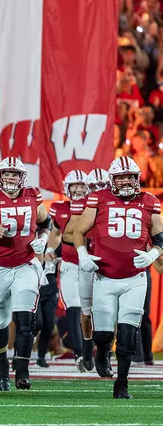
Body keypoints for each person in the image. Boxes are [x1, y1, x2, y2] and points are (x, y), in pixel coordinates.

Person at [73, 156, 163, 399]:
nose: (125, 181)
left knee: (127, 334)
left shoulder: (149, 201)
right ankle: (102, 351)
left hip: (135, 278)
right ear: (112, 180)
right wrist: (82, 254)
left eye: (130, 177)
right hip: (105, 276)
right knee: (103, 335)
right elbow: (78, 232)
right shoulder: (98, 199)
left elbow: (161, 237)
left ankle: (121, 384)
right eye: (121, 177)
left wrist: (153, 254)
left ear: (137, 179)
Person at [0, 157, 51, 391]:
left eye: (15, 174)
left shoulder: (33, 195)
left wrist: (42, 239)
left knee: (26, 320)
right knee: (0, 321)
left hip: (25, 265)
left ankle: (22, 372)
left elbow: (46, 222)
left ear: (22, 177)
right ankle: (2, 365)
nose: (10, 178)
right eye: (7, 174)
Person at [64, 168, 110, 371]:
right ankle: (87, 344)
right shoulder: (83, 205)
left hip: (110, 263)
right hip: (88, 261)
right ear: (88, 188)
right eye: (95, 187)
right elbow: (67, 235)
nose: (99, 190)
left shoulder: (119, 203)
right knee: (86, 311)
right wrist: (87, 242)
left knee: (109, 311)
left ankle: (105, 353)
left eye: (103, 186)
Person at [46, 170, 89, 372]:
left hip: (92, 265)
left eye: (82, 186)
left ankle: (95, 350)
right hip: (70, 264)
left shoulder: (94, 208)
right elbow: (54, 233)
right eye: (75, 187)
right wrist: (49, 250)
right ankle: (80, 353)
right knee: (73, 307)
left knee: (91, 309)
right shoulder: (59, 209)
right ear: (67, 188)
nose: (79, 190)